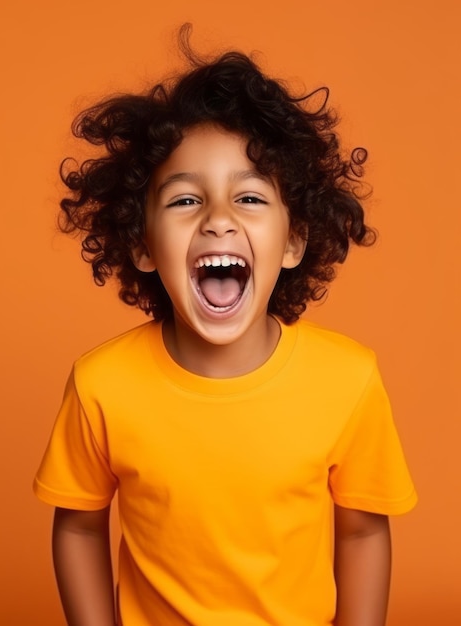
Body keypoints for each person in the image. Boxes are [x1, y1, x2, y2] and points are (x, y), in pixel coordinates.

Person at [34, 27, 417, 626]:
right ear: (140, 243)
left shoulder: (349, 379)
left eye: (251, 199)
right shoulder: (100, 384)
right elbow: (79, 526)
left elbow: (364, 533)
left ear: (293, 240)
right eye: (186, 200)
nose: (218, 220)